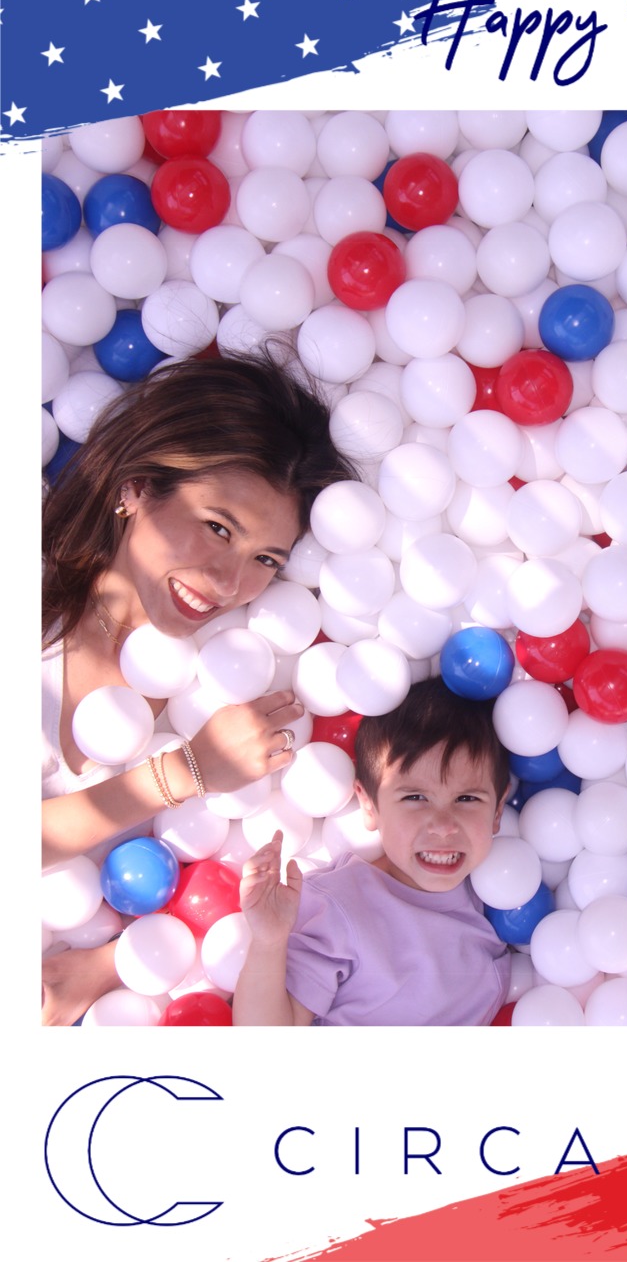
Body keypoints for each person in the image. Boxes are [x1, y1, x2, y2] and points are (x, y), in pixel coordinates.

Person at [41, 348, 357, 1024]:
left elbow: (257, 874)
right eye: (217, 527)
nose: (228, 582)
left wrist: (109, 965)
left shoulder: (248, 675)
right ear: (136, 487)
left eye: (264, 558)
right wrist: (185, 773)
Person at [234, 677, 513, 1026]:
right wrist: (269, 943)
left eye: (467, 798)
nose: (443, 826)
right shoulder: (340, 906)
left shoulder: (502, 897)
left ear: (497, 811)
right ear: (369, 805)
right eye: (415, 798)